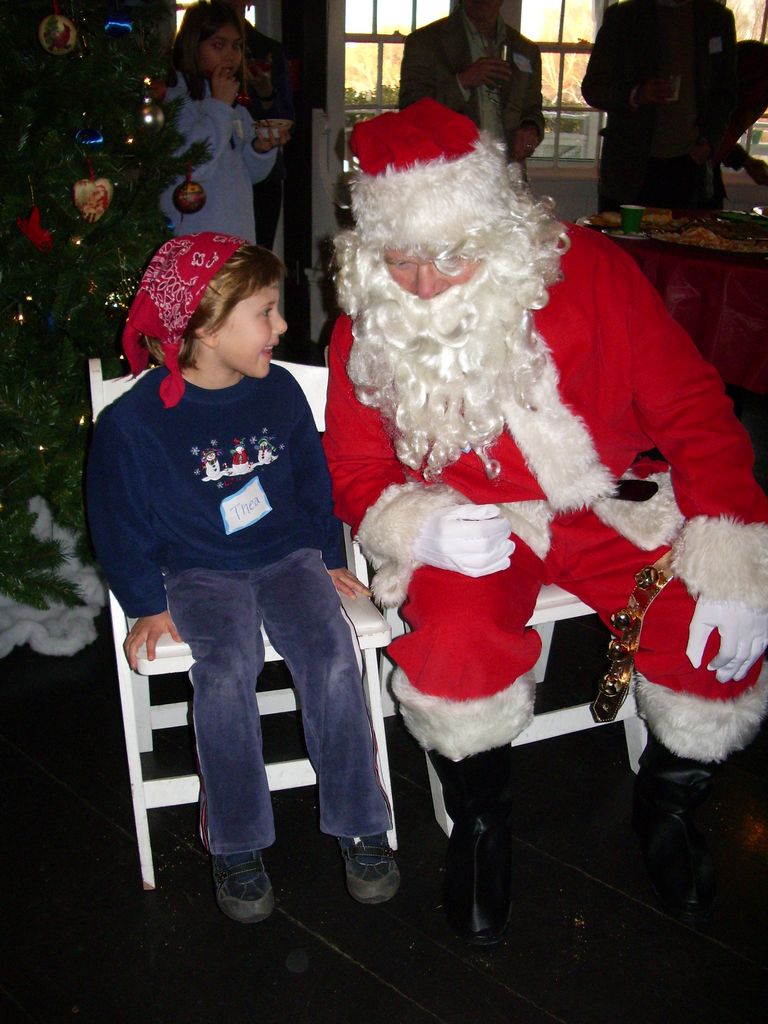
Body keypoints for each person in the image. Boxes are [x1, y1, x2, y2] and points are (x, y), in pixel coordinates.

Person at [322, 98, 768, 945]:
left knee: (709, 632)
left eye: (448, 257)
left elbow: (693, 410)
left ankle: (668, 809)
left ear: (493, 229)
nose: (423, 284)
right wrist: (416, 526)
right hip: (472, 522)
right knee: (454, 645)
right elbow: (354, 466)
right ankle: (481, 824)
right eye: (401, 259)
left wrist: (736, 557)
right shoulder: (369, 321)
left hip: (604, 502)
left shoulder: (592, 273)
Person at [86, 232, 399, 924]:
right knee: (225, 674)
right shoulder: (134, 422)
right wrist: (144, 603)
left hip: (288, 557)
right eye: (265, 312)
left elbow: (312, 482)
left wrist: (330, 555)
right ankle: (236, 842)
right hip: (197, 572)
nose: (282, 326)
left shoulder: (279, 390)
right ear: (204, 326)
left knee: (333, 658)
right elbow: (117, 519)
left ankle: (360, 822)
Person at [581, 0, 738, 211]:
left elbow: (725, 94)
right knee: (620, 234)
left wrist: (708, 144)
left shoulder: (717, 18)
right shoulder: (624, 17)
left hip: (690, 168)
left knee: (688, 233)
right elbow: (594, 88)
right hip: (630, 169)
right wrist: (637, 94)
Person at [160, 1, 287, 241]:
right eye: (218, 45)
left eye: (236, 46)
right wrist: (219, 106)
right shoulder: (175, 100)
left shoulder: (235, 105)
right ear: (193, 46)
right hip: (194, 237)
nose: (230, 55)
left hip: (236, 234)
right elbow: (192, 167)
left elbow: (253, 174)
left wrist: (260, 149)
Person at [398, 0, 544, 164]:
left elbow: (532, 110)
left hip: (507, 171)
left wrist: (530, 129)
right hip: (451, 172)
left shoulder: (525, 50)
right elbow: (410, 112)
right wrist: (463, 82)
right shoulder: (425, 43)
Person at [220, 0, 295, 249]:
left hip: (263, 173)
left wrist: (266, 93)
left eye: (235, 46)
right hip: (213, 177)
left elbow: (286, 118)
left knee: (258, 256)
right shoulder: (198, 53)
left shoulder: (268, 49)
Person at [710, 40, 768, 207]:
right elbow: (714, 128)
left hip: (704, 166)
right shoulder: (755, 62)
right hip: (688, 166)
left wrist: (745, 161)